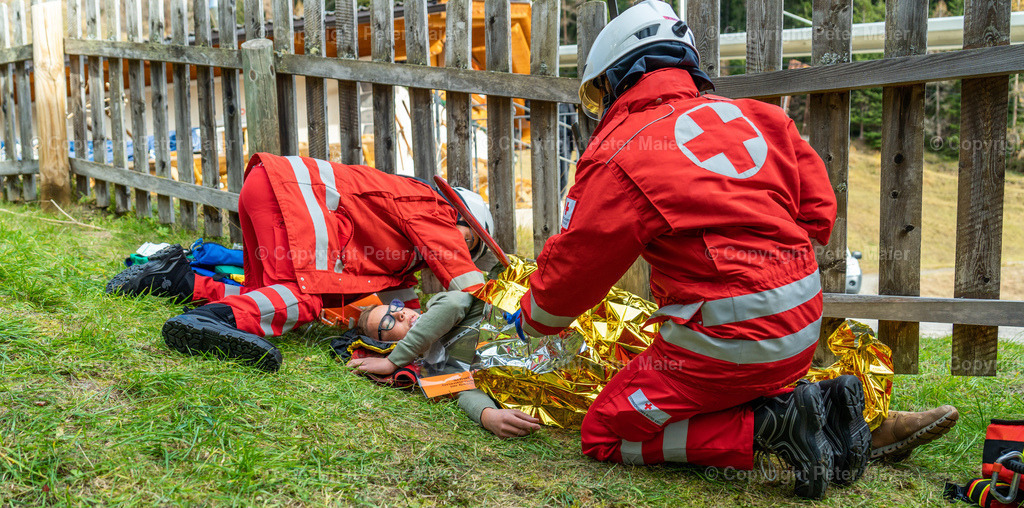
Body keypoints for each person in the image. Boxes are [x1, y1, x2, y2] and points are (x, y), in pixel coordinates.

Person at [511, 1, 862, 498]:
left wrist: (537, 318)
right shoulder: (759, 118)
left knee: (604, 433)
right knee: (718, 380)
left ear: (615, 80)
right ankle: (816, 407)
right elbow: (819, 213)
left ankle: (770, 428)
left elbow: (579, 263)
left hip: (727, 343)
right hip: (802, 327)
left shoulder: (623, 150)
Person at [348, 285, 958, 456]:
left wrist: (396, 352)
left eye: (392, 316)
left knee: (713, 359)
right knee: (686, 402)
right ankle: (851, 428)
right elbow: (458, 391)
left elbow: (450, 305)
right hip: (574, 380)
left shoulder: (461, 302)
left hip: (603, 330)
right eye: (383, 329)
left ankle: (869, 416)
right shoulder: (439, 364)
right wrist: (487, 413)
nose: (397, 325)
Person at [106, 153, 493, 373]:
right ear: (457, 215)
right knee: (303, 297)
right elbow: (469, 289)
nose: (461, 248)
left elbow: (402, 307)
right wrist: (495, 331)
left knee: (265, 295)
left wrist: (410, 350)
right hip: (291, 196)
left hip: (270, 187)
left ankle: (175, 279)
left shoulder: (404, 257)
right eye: (468, 239)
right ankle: (209, 321)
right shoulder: (432, 207)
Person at [347, 292, 542, 439]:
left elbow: (455, 304)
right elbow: (463, 391)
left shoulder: (438, 304)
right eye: (388, 322)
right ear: (386, 345)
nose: (401, 314)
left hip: (543, 317)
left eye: (395, 307)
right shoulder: (430, 369)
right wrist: (488, 416)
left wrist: (392, 361)